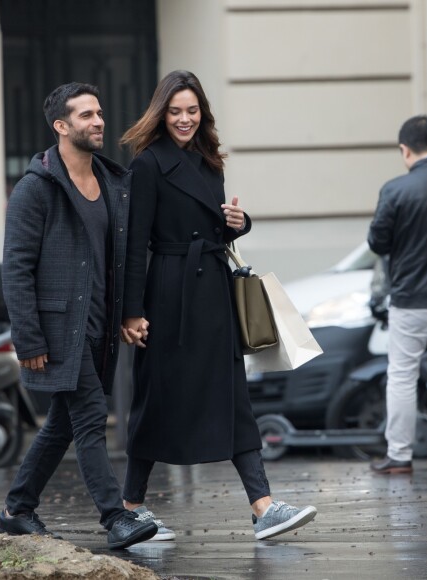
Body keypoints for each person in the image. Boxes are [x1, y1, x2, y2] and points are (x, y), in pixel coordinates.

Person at [119, 70, 317, 541]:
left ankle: (262, 504)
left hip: (213, 294)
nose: (184, 119)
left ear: (202, 113)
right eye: (175, 111)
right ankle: (130, 506)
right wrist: (131, 311)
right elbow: (133, 244)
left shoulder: (211, 161)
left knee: (233, 398)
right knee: (157, 399)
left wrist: (238, 223)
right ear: (161, 114)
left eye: (192, 110)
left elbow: (213, 229)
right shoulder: (147, 164)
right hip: (169, 295)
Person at [0, 82, 157, 550]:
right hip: (57, 330)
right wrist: (28, 340)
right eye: (86, 115)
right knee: (90, 417)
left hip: (99, 327)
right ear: (61, 126)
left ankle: (17, 509)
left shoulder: (113, 183)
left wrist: (129, 314)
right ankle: (116, 518)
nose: (99, 121)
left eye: (99, 112)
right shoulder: (36, 189)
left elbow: (124, 256)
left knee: (62, 425)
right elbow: (16, 268)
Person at [368, 114, 427, 475]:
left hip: (411, 299)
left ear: (405, 150)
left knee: (403, 374)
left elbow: (378, 241)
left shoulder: (395, 190)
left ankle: (400, 456)